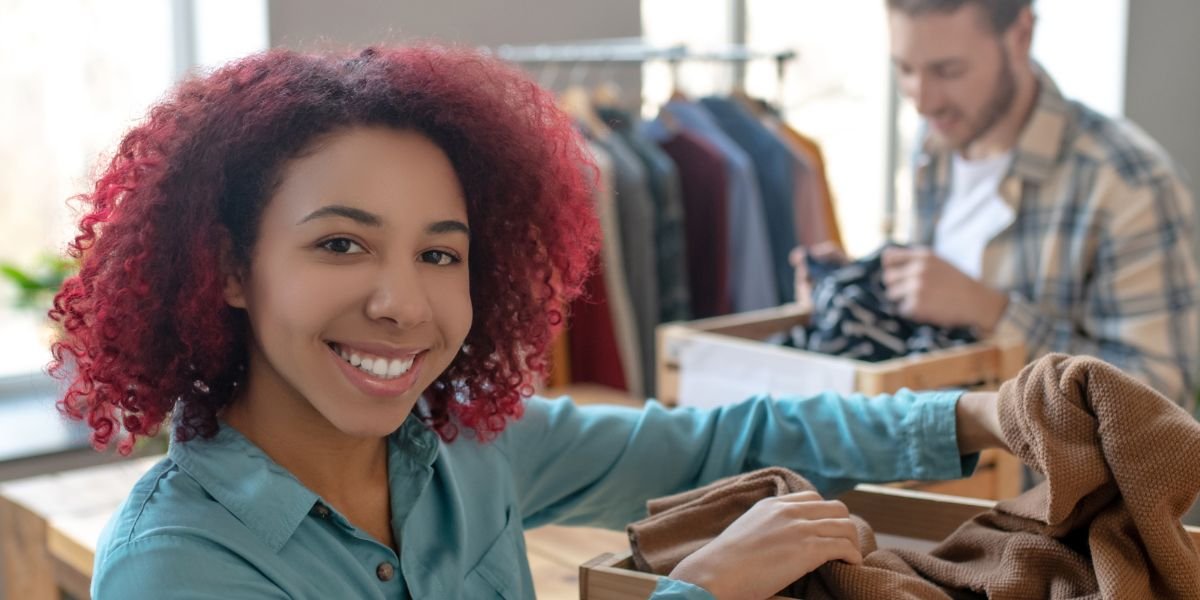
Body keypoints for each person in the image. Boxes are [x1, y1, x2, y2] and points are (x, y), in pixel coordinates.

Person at [51, 45, 1007, 600]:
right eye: (341, 244)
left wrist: (978, 419)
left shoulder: (469, 448)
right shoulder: (174, 569)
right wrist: (700, 592)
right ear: (225, 268)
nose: (402, 303)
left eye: (439, 254)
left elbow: (720, 440)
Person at [799, 0, 1199, 407]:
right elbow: (933, 325)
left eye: (948, 71)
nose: (923, 100)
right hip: (934, 465)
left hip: (1039, 473)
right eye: (904, 69)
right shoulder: (934, 146)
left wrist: (993, 313)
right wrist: (857, 291)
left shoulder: (1129, 185)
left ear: (1021, 35)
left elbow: (1163, 404)